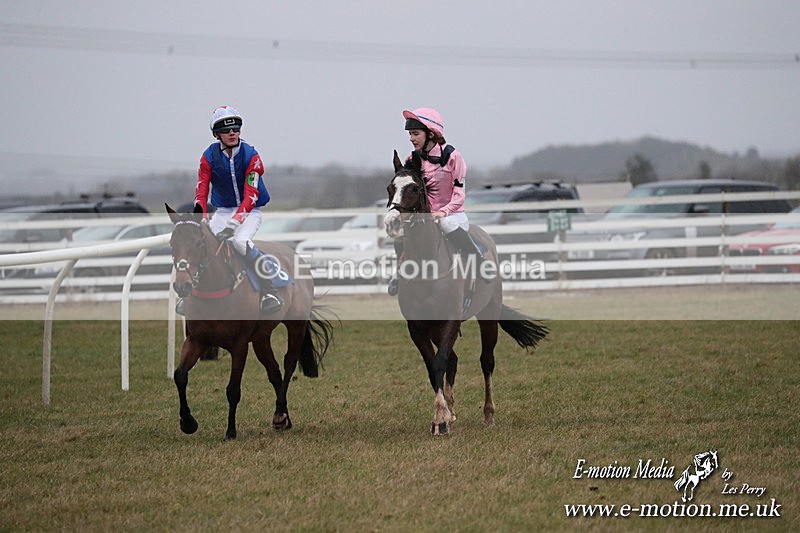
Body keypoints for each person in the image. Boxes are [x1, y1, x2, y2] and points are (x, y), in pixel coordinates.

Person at [175, 105, 283, 316]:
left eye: (236, 128)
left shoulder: (252, 156)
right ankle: (189, 295)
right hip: (223, 210)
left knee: (240, 242)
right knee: (204, 243)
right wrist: (201, 218)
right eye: (226, 130)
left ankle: (270, 291)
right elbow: (202, 189)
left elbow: (251, 194)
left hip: (250, 211)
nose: (232, 133)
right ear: (217, 134)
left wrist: (234, 224)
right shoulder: (208, 157)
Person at [387, 107, 495, 296]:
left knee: (446, 224)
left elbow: (459, 194)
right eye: (410, 134)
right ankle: (399, 273)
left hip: (453, 215)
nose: (411, 138)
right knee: (400, 236)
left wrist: (442, 212)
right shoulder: (411, 159)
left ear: (430, 134)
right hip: (424, 215)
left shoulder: (453, 156)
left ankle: (480, 261)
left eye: (415, 134)